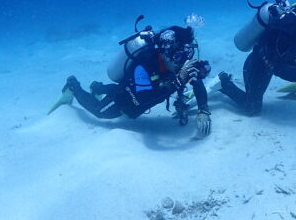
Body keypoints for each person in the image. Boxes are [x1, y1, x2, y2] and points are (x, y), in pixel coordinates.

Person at [56, 16, 213, 138]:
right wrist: (177, 82)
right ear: (166, 52)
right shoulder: (144, 64)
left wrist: (203, 111)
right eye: (178, 56)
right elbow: (142, 99)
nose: (183, 61)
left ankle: (98, 87)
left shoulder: (179, 64)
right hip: (129, 96)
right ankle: (73, 86)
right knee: (100, 112)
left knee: (122, 89)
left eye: (187, 54)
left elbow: (197, 82)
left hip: (138, 87)